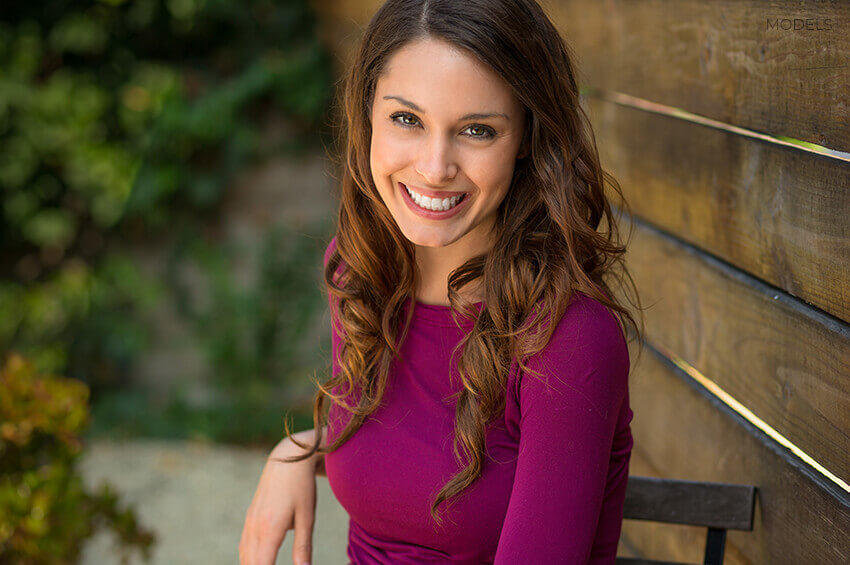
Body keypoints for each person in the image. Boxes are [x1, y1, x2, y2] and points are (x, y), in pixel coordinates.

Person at [240, 0, 644, 563]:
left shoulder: (567, 339)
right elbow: (407, 452)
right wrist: (301, 448)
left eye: (477, 130)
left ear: (527, 139)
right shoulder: (361, 271)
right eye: (407, 119)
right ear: (369, 115)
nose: (434, 167)